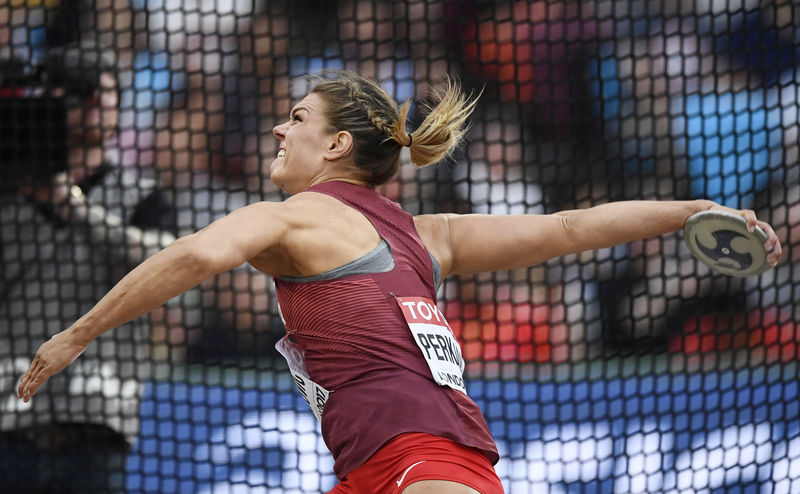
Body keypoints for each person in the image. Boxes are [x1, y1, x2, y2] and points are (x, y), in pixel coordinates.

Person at [16, 70, 783, 494]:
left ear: (338, 143)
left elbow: (192, 258)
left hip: (429, 467)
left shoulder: (295, 218)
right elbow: (572, 228)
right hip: (382, 471)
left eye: (296, 117)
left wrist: (79, 333)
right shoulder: (428, 235)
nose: (280, 129)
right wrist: (691, 208)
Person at [0, 42, 195, 493]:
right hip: (9, 416)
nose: (99, 105)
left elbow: (167, 267)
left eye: (109, 93)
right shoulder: (10, 192)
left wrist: (73, 206)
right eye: (84, 94)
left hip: (96, 420)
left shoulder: (143, 196)